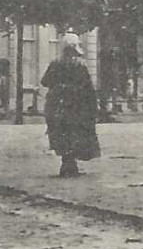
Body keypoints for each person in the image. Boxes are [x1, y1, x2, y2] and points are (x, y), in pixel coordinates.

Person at [41, 32, 100, 177]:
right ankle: (71, 164)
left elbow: (45, 81)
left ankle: (66, 163)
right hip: (76, 104)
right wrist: (93, 106)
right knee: (75, 132)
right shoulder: (80, 65)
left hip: (57, 104)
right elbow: (88, 87)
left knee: (60, 132)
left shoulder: (55, 63)